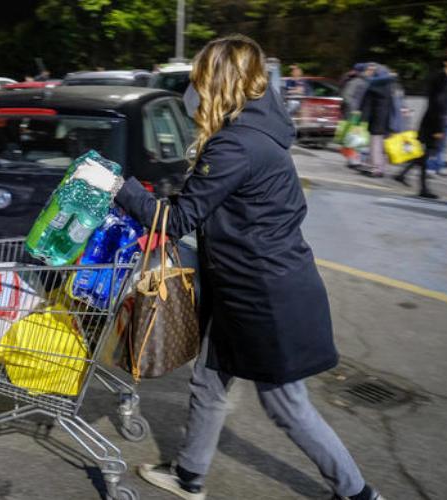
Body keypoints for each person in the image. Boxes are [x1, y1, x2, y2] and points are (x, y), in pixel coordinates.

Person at [114, 35, 384, 500]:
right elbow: (218, 216)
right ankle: (188, 475)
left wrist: (119, 186)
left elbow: (178, 220)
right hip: (243, 287)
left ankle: (358, 493)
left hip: (264, 300)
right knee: (208, 381)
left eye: (199, 80)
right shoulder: (251, 133)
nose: (192, 92)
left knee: (286, 405)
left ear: (219, 82)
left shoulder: (237, 146)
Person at [395, 47, 447, 197]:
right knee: (427, 154)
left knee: (425, 154)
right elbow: (436, 103)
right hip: (433, 123)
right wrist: (438, 128)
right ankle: (423, 188)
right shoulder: (441, 78)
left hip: (442, 122)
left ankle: (403, 175)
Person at [359, 66, 398, 177]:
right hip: (387, 120)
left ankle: (375, 169)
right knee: (382, 145)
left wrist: (362, 119)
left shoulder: (374, 86)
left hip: (376, 120)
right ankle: (380, 167)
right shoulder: (390, 86)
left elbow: (367, 104)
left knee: (375, 144)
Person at [339, 63, 375, 168]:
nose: (371, 72)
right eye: (369, 70)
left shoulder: (367, 82)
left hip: (362, 114)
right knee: (353, 136)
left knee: (358, 137)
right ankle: (352, 160)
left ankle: (355, 159)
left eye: (372, 70)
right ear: (364, 71)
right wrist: (354, 109)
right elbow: (346, 95)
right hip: (355, 114)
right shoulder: (357, 81)